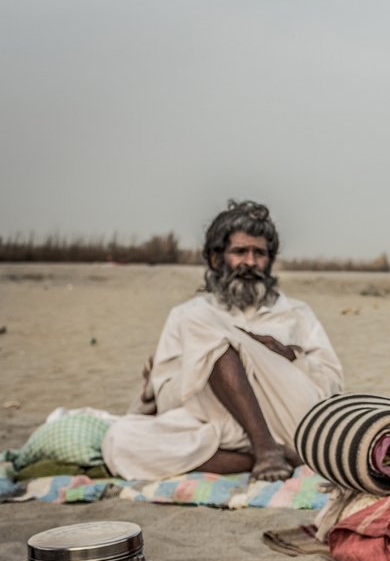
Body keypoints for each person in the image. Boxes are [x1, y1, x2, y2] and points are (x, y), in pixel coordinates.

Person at [101, 200, 344, 482]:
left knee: (204, 326)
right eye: (240, 251)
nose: (251, 262)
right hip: (220, 424)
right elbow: (167, 400)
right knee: (120, 441)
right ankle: (266, 453)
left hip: (287, 418)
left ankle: (267, 447)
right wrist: (203, 368)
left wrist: (288, 357)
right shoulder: (186, 315)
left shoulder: (296, 313)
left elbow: (332, 385)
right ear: (217, 259)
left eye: (259, 253)